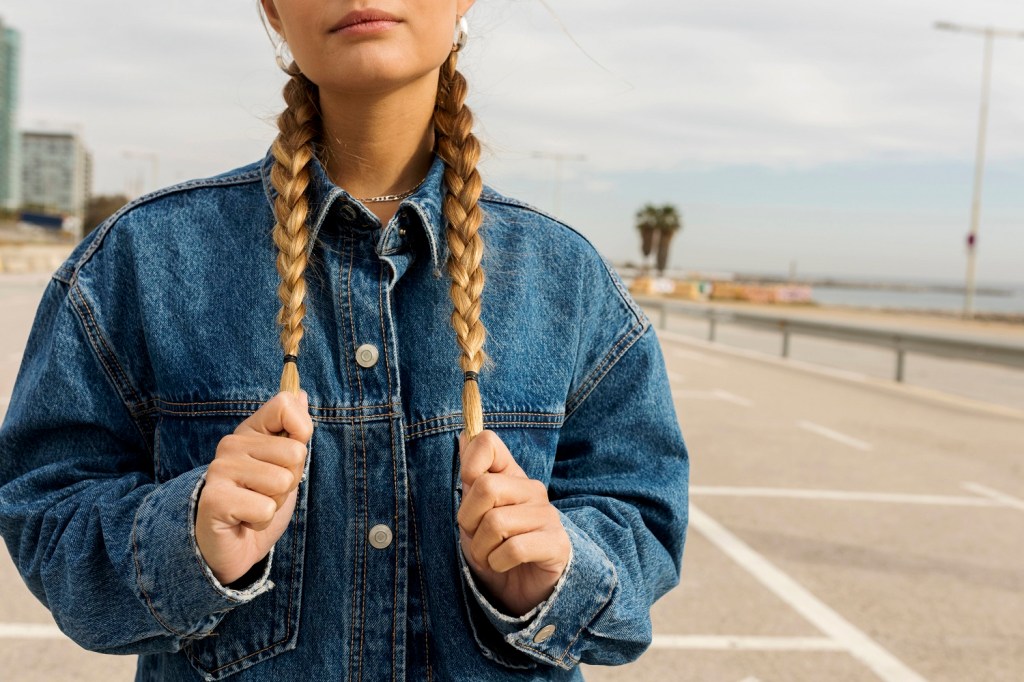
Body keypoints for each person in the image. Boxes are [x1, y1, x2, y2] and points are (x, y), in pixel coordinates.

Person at [0, 1, 689, 679]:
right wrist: (188, 539)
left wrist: (555, 572)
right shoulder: (141, 260)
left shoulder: (566, 277)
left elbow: (645, 521)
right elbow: (44, 509)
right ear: (272, 9)